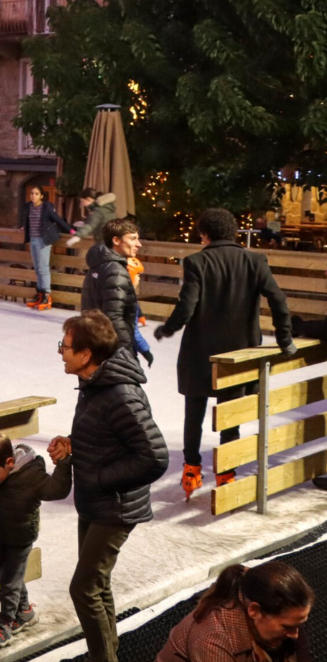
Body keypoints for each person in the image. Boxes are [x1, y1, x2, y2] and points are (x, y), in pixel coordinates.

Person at [53, 311, 169, 662]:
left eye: (66, 346)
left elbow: (154, 456)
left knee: (84, 588)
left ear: (86, 354)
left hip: (115, 507)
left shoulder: (120, 394)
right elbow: (106, 434)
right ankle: (106, 654)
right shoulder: (94, 386)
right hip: (96, 501)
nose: (61, 352)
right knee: (96, 584)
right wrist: (74, 443)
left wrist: (102, 479)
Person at [154, 208, 294, 498]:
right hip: (240, 356)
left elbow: (187, 306)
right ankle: (226, 473)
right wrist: (285, 340)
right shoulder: (255, 260)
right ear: (233, 232)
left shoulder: (197, 261)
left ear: (204, 234)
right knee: (231, 413)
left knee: (195, 412)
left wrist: (168, 329)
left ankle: (191, 468)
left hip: (199, 353)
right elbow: (279, 300)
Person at [0, 433, 73, 648]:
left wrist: (65, 463)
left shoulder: (31, 474)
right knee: (8, 576)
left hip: (20, 536)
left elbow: (56, 490)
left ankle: (4, 624)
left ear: (9, 463)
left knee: (9, 581)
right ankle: (25, 612)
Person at [155, 562, 312, 662]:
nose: (296, 634)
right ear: (254, 611)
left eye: (298, 625)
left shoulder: (286, 613)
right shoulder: (212, 640)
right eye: (287, 627)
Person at [80, 219, 143, 358]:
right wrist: (127, 350)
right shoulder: (116, 270)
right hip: (110, 346)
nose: (138, 244)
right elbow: (114, 316)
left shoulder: (99, 264)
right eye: (133, 239)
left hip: (94, 339)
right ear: (116, 240)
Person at [21, 185, 73, 310]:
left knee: (43, 268)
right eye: (32, 193)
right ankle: (39, 294)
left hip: (43, 240)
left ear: (42, 196)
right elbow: (26, 220)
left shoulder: (46, 207)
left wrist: (70, 230)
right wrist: (23, 227)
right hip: (33, 239)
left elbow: (57, 219)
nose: (33, 196)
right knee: (37, 268)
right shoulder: (28, 206)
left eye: (36, 194)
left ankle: (46, 295)